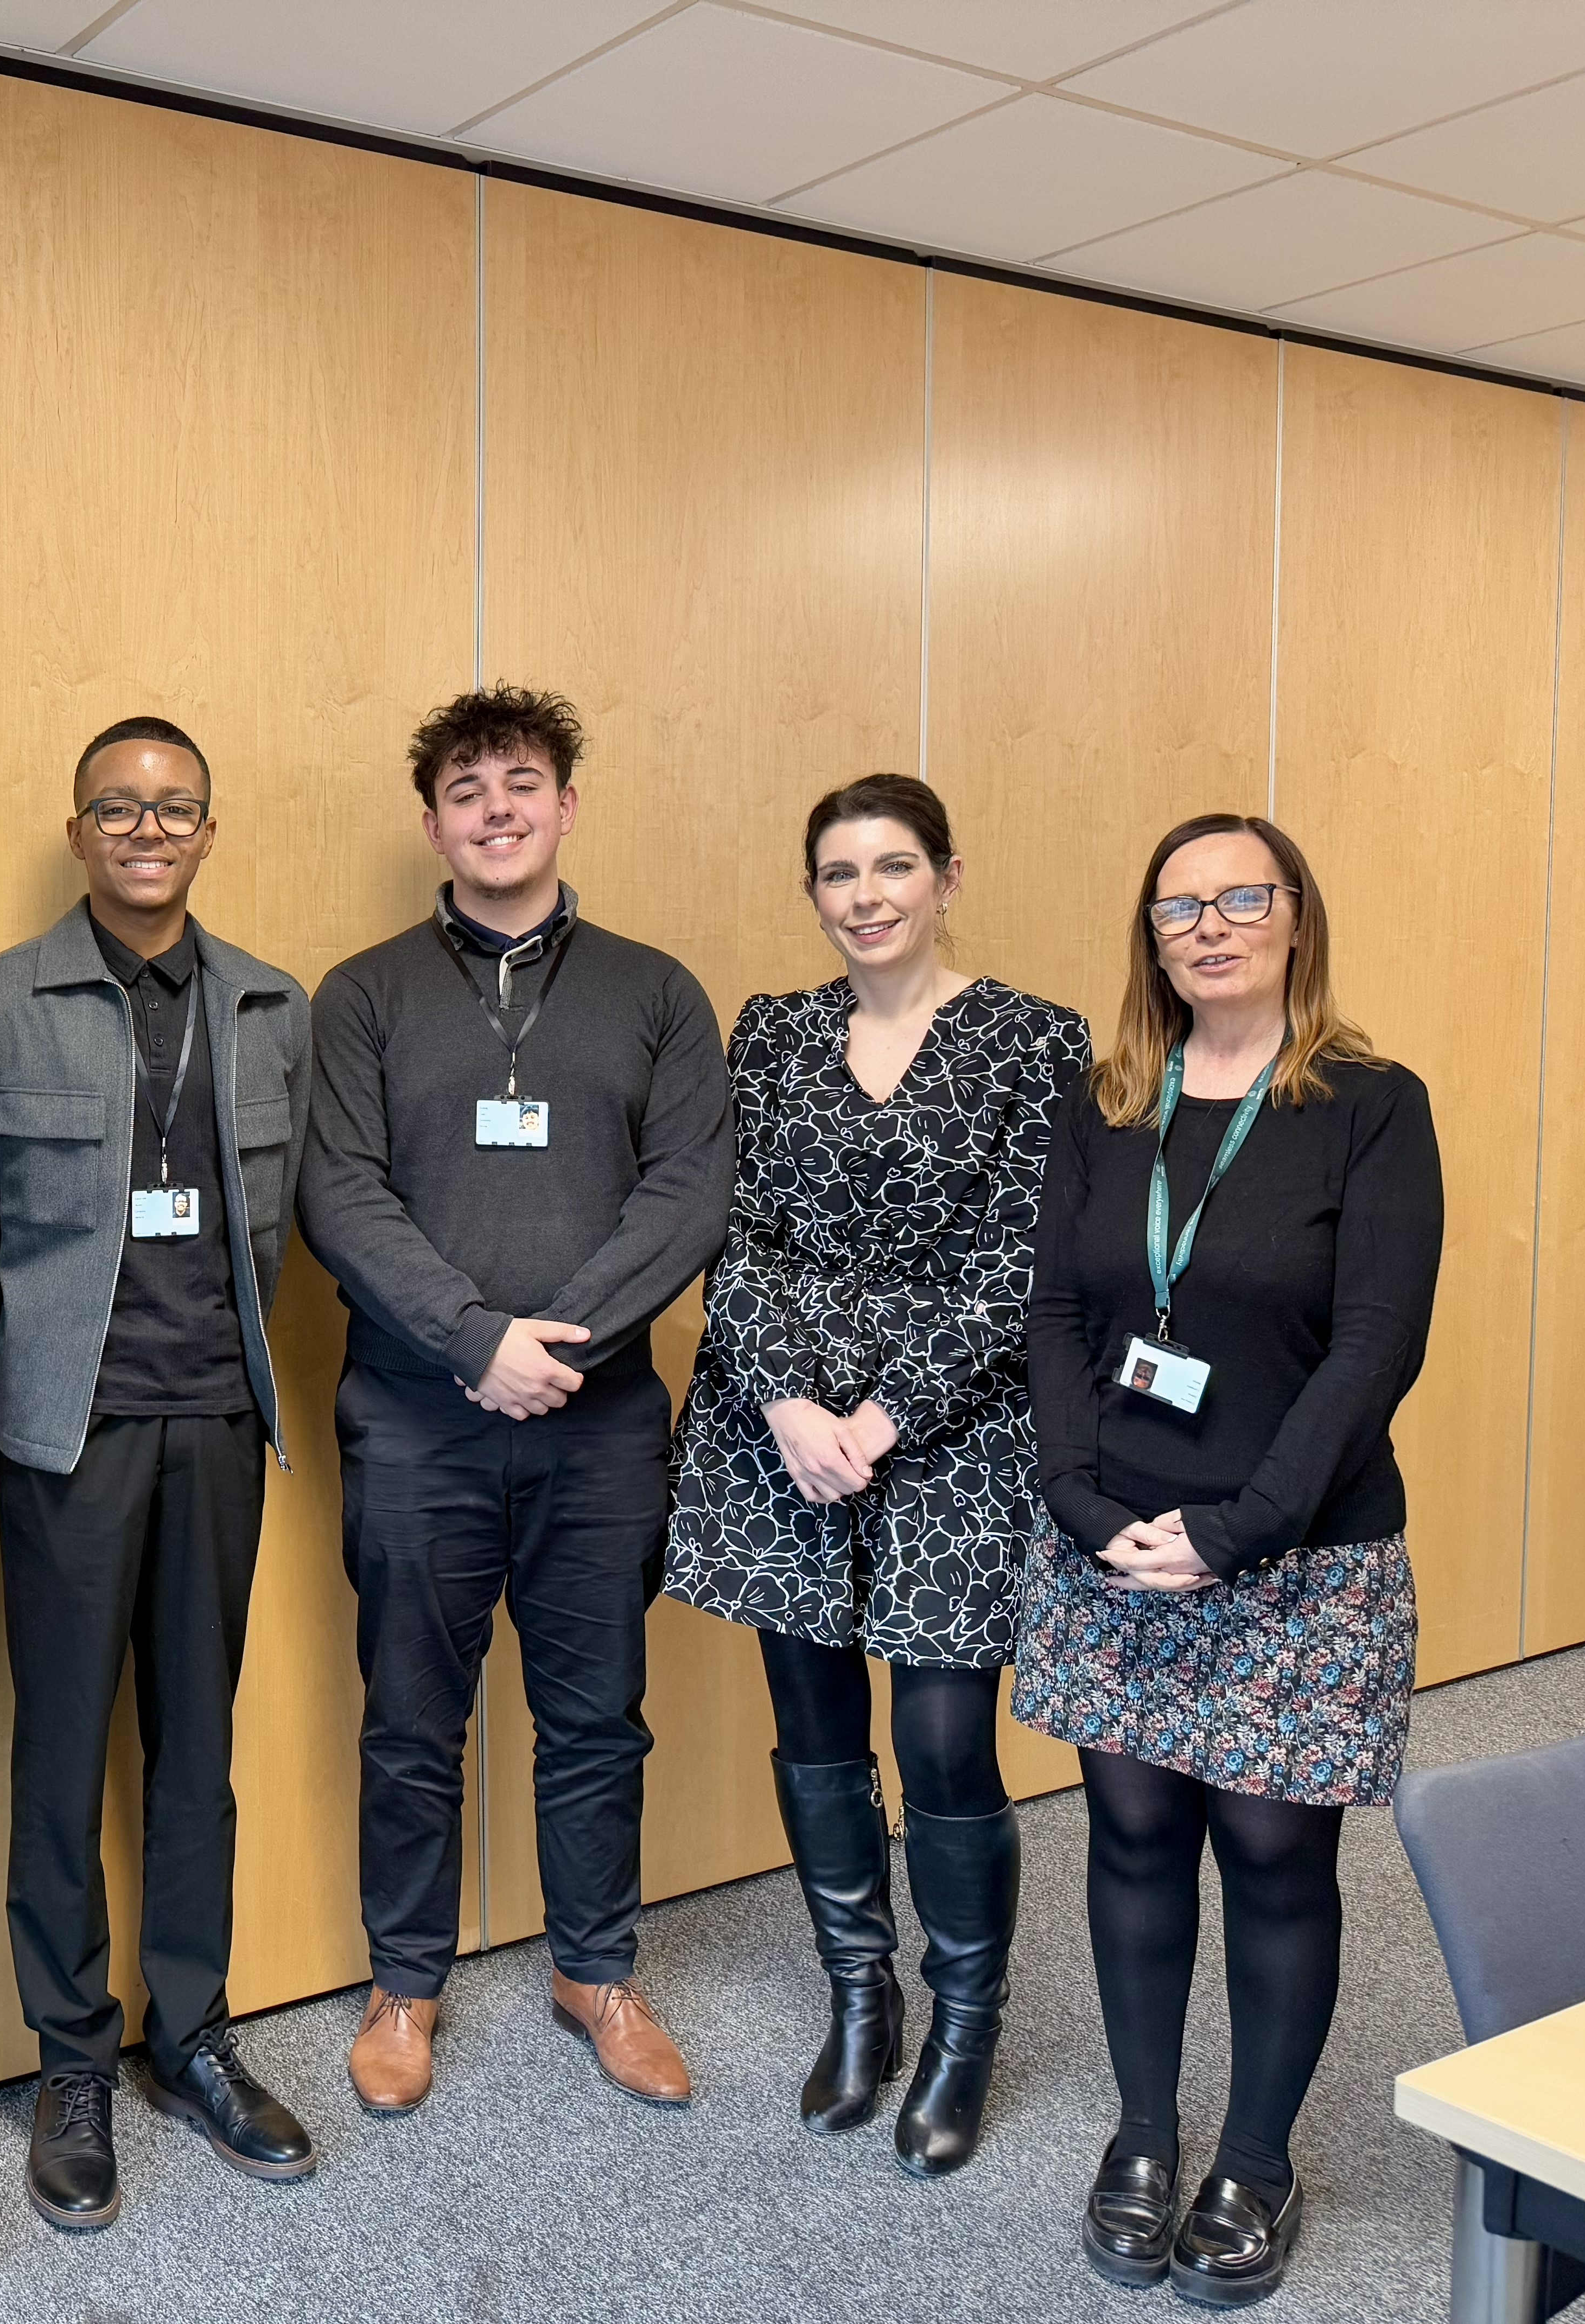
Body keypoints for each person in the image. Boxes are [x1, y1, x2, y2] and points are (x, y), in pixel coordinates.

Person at [1018, 814, 1441, 2308]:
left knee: (1272, 1849)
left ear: (1296, 918)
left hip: (1298, 1550)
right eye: (1180, 903)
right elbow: (1058, 1314)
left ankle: (1256, 2156)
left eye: (1241, 896)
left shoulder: (1370, 1106)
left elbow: (1377, 1346)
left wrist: (1235, 1525)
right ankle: (1145, 2134)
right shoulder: (1105, 1101)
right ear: (1150, 933)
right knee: (1132, 1838)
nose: (1211, 923)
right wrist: (1077, 1499)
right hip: (1113, 1544)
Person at [299, 685, 731, 2114]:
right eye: (470, 788)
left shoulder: (656, 990)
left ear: (566, 803)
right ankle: (405, 1979)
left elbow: (691, 1191)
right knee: (412, 1715)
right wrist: (474, 1337)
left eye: (525, 782)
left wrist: (571, 1339)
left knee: (597, 1711)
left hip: (601, 1428)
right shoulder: (362, 994)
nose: (498, 807)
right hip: (418, 1419)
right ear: (433, 820)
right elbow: (338, 1192)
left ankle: (595, 1966)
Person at [0, 715, 316, 2232]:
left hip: (218, 1425)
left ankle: (191, 2030)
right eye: (118, 808)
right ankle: (70, 2056)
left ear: (208, 832)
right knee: (60, 1753)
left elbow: (277, 1230)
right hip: (65, 1442)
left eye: (175, 809)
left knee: (196, 1747)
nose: (148, 829)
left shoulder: (268, 1002)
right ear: (78, 830)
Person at [665, 775, 1088, 2175]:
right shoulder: (773, 1034)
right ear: (814, 896)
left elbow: (1028, 1262)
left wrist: (886, 1413)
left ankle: (967, 2029)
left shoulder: (1038, 1041)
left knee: (946, 1743)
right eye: (839, 873)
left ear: (947, 878)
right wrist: (790, 1401)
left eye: (894, 867)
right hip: (776, 1427)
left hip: (955, 1434)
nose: (867, 896)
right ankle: (863, 1997)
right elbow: (730, 1231)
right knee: (815, 1727)